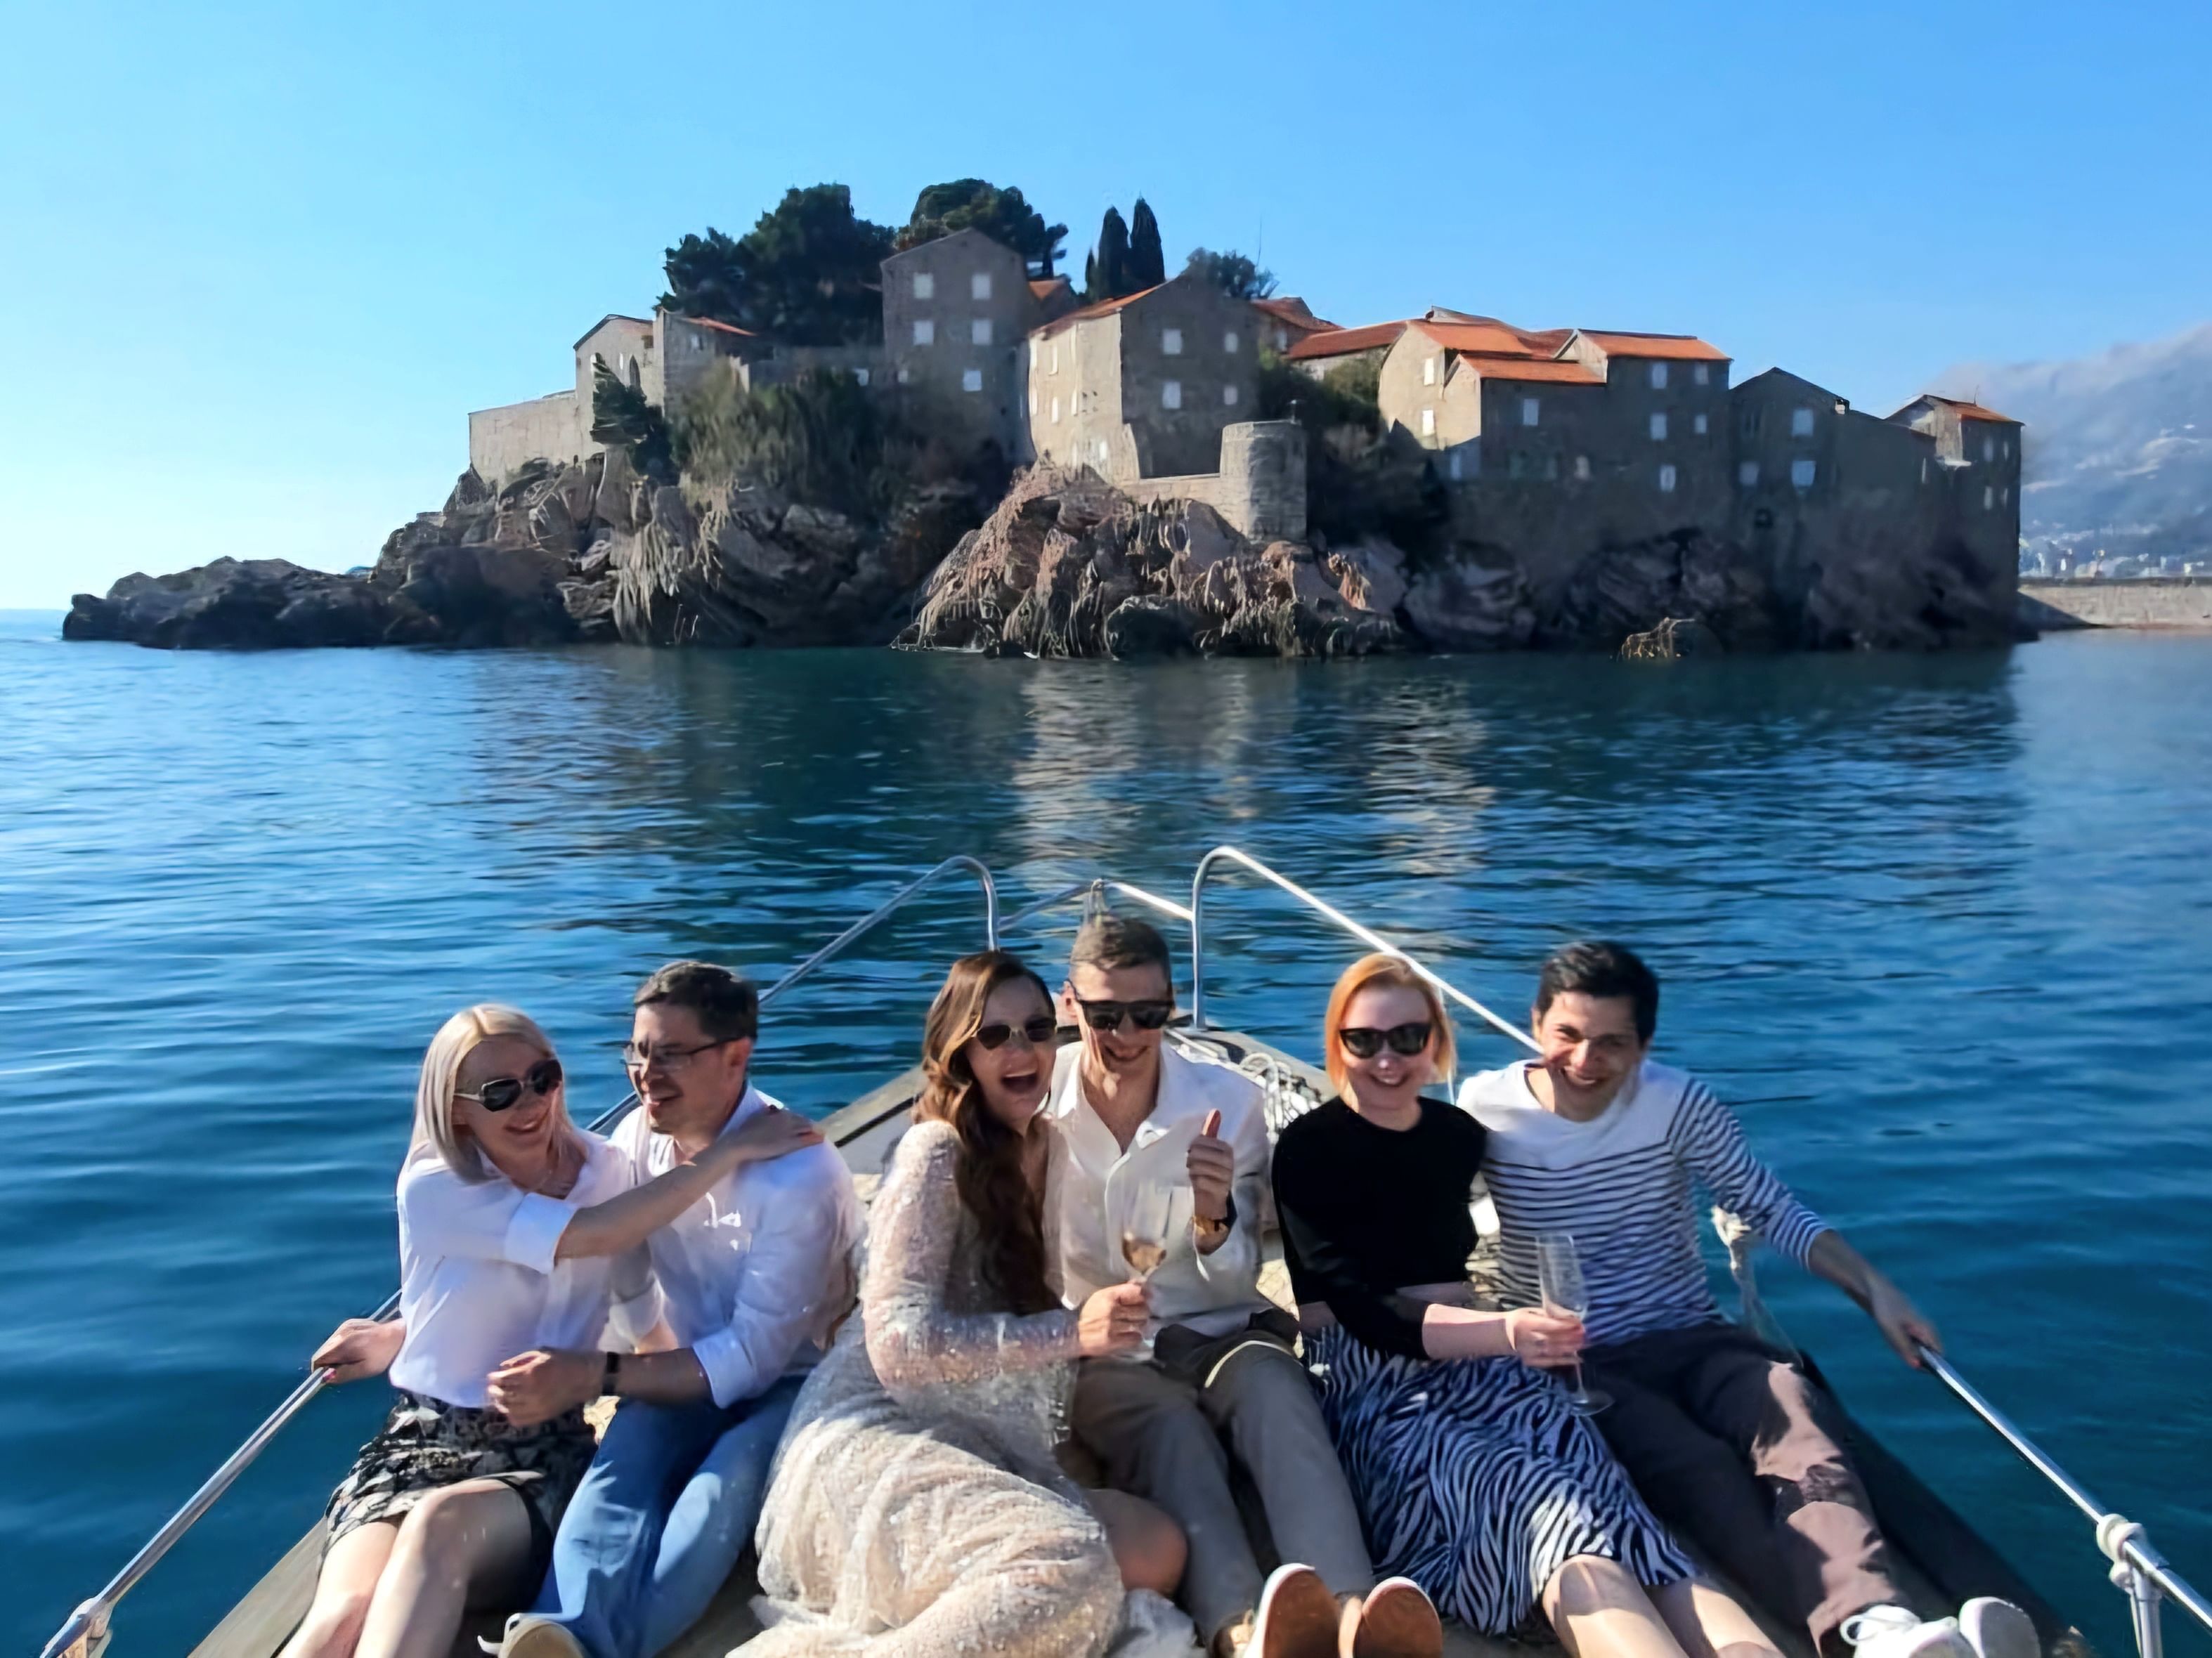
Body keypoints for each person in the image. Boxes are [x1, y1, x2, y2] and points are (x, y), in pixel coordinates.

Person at [1458, 941, 2036, 1658]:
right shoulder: (1485, 1109)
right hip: (1580, 1362)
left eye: (1611, 1043)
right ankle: (1857, 1635)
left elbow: (1767, 1204)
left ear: (1645, 1045)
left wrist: (1875, 1290)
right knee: (1695, 1467)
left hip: (1693, 1333)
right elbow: (1428, 1205)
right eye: (1567, 1035)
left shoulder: (1675, 1103)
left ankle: (1878, 1625)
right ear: (1535, 1021)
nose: (1583, 1059)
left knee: (1795, 1415)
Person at [1275, 955, 1780, 1658]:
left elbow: (1559, 1161)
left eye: (1407, 1036)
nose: (1386, 1058)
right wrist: (1507, 1328)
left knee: (1613, 1502)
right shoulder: (1307, 1149)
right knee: (1538, 1495)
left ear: (1436, 1041)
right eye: (1364, 1039)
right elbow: (1365, 1311)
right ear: (1336, 1045)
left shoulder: (1458, 1136)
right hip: (1375, 1379)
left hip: (1488, 1363)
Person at [289, 1003, 821, 1658]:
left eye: (543, 1077)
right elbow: (594, 1236)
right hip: (419, 1442)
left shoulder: (606, 1170)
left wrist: (690, 1410)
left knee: (438, 1527)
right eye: (500, 1092)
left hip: (535, 1455)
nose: (531, 1103)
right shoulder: (437, 1186)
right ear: (457, 1111)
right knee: (343, 1614)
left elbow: (632, 1302)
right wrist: (732, 1151)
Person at [741, 950, 1193, 1657]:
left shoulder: (1045, 1144)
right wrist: (1072, 1330)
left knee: (1155, 1547)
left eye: (1037, 1029)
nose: (1021, 1050)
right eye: (995, 1035)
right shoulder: (932, 1150)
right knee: (1069, 1567)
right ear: (960, 1053)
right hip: (875, 1437)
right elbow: (898, 1348)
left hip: (973, 1437)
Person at [1046, 914, 1440, 1658]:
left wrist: (1215, 1214)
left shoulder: (1229, 1102)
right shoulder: (1038, 1109)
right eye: (1104, 1015)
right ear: (1071, 1005)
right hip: (1106, 1349)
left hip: (1222, 1324)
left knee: (1278, 1394)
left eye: (1147, 1013)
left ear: (1172, 1007)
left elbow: (1233, 1274)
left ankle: (1352, 1613)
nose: (1126, 1032)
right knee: (1172, 1431)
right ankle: (1242, 1629)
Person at [497, 962, 865, 1658]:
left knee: (713, 1494)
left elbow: (756, 1357)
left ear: (737, 1055)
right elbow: (624, 1262)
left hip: (799, 1380)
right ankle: (558, 1630)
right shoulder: (642, 1138)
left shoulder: (799, 1174)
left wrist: (596, 1373)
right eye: (637, 1050)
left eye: (669, 1053)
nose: (644, 1072)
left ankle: (586, 1646)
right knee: (617, 1476)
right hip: (689, 1363)